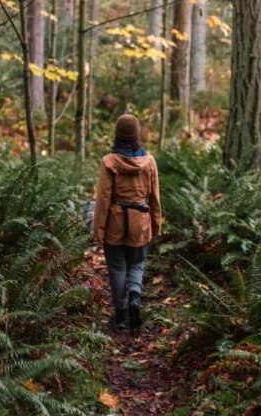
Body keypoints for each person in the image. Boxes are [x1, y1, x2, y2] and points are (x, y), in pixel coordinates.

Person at [93, 114, 162, 330]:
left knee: (116, 268)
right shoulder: (149, 162)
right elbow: (154, 198)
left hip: (115, 222)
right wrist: (156, 224)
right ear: (137, 135)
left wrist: (98, 229)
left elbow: (103, 199)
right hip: (140, 222)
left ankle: (120, 314)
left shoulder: (109, 162)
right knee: (137, 264)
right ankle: (135, 296)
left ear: (117, 135)